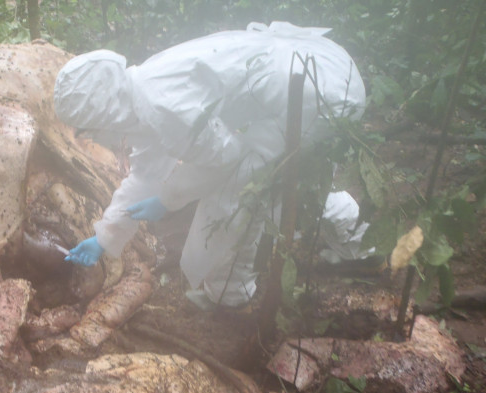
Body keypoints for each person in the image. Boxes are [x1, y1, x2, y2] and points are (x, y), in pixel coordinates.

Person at [54, 21, 370, 308]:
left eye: (86, 128)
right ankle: (365, 251)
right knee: (284, 177)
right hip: (317, 72)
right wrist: (105, 237)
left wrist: (168, 199)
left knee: (242, 190)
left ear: (102, 112)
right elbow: (146, 174)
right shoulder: (139, 94)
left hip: (318, 88)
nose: (92, 136)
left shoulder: (162, 105)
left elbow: (224, 159)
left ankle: (230, 295)